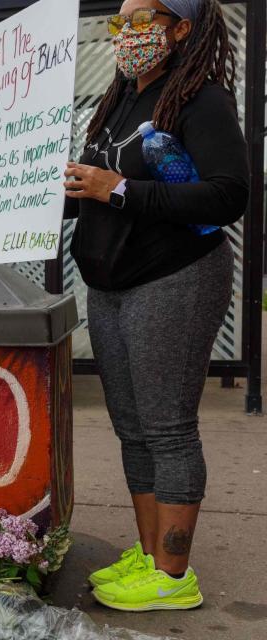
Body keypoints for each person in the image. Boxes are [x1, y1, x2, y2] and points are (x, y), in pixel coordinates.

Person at [63, 0, 249, 612]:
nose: (127, 33)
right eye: (121, 21)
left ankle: (174, 576)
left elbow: (227, 194)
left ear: (182, 29)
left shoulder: (201, 100)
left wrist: (119, 189)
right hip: (111, 283)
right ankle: (149, 557)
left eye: (144, 18)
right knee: (133, 427)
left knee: (167, 428)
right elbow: (96, 191)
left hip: (175, 278)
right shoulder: (117, 102)